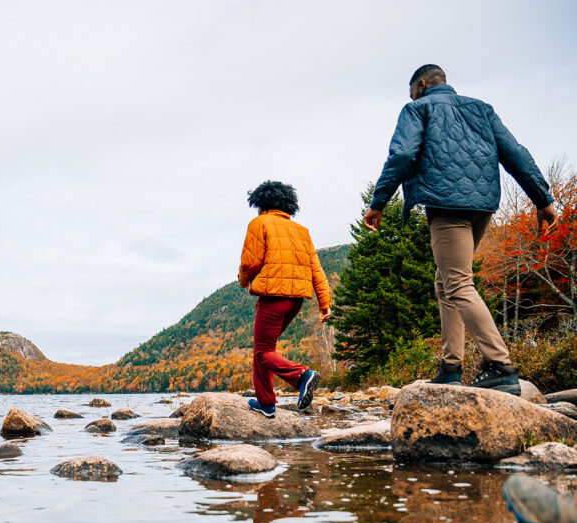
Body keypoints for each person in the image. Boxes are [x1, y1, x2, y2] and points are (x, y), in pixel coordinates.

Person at [364, 64, 558, 394]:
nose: (410, 96)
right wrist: (543, 199)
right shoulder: (481, 109)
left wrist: (378, 201)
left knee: (456, 282)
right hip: (482, 206)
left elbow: (403, 153)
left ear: (422, 85)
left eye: (411, 91)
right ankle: (451, 366)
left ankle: (500, 365)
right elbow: (516, 154)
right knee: (446, 281)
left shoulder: (418, 108)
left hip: (446, 205)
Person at [239, 180, 332, 418]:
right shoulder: (302, 231)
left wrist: (243, 279)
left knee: (262, 352)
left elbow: (251, 261)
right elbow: (316, 269)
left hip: (273, 296)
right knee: (265, 350)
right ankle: (266, 403)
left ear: (261, 203)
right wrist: (325, 304)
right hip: (296, 300)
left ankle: (302, 375)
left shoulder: (259, 223)